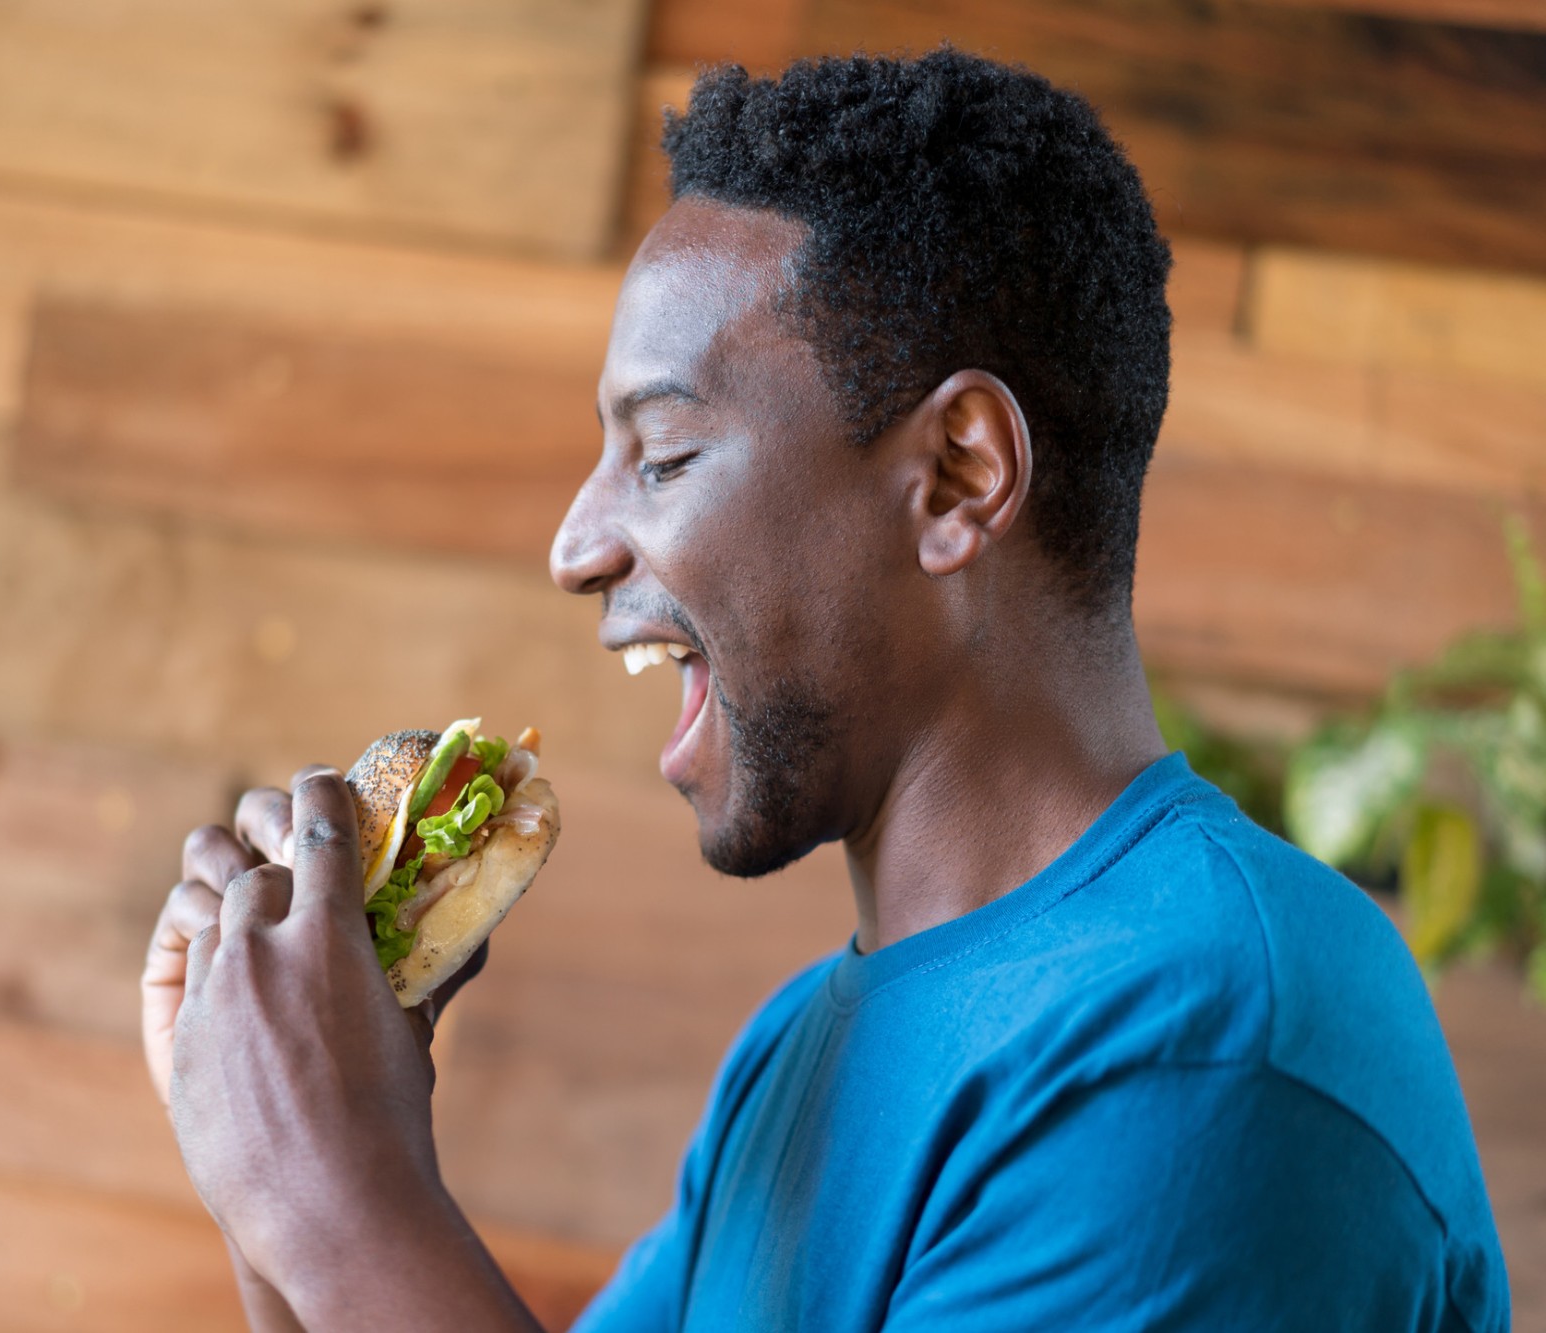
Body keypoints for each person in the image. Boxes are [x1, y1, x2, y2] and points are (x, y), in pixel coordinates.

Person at [138, 50, 1512, 1332]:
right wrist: (270, 1141)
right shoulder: (792, 1055)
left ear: (959, 476)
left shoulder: (1200, 1043)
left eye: (662, 453)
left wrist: (338, 1197)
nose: (575, 546)